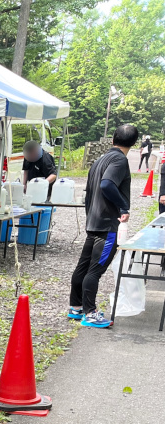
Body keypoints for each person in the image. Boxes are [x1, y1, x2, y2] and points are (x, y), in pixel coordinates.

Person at [68, 124, 138, 328]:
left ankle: (76, 307)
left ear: (114, 138)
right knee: (95, 270)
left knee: (83, 267)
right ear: (133, 142)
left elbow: (90, 191)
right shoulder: (119, 160)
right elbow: (106, 184)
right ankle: (90, 313)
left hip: (94, 221)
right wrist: (124, 207)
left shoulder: (100, 159)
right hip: (107, 225)